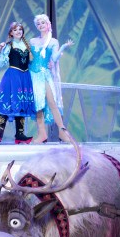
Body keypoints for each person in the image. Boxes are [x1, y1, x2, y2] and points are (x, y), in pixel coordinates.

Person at [0, 21, 37, 145]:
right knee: (7, 103)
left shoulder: (27, 46)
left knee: (20, 104)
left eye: (20, 29)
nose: (18, 32)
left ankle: (20, 134)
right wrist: (0, 50)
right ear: (11, 32)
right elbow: (0, 64)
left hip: (24, 77)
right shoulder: (9, 45)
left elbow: (31, 63)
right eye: (15, 30)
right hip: (12, 77)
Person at [29, 13, 73, 143]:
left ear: (48, 24)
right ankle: (42, 134)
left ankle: (62, 132)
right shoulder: (32, 41)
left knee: (52, 102)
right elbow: (28, 57)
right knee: (38, 105)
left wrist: (64, 47)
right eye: (38, 24)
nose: (40, 25)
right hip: (33, 74)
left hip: (45, 74)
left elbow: (54, 58)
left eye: (43, 23)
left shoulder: (53, 42)